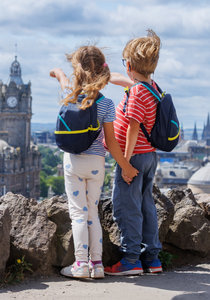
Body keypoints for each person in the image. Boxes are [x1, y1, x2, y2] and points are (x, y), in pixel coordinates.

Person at [50, 45, 139, 279]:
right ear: (102, 71)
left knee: (78, 214)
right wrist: (126, 166)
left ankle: (80, 264)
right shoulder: (107, 104)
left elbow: (64, 83)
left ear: (76, 70)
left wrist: (58, 73)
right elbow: (111, 142)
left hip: (73, 162)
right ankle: (97, 264)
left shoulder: (71, 94)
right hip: (97, 164)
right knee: (92, 214)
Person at [104, 29, 163, 276]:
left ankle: (131, 260)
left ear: (128, 64)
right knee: (146, 206)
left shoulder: (137, 93)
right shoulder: (151, 86)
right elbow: (122, 79)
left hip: (135, 157)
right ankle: (152, 258)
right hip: (149, 156)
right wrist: (104, 74)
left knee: (126, 207)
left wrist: (125, 163)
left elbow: (133, 127)